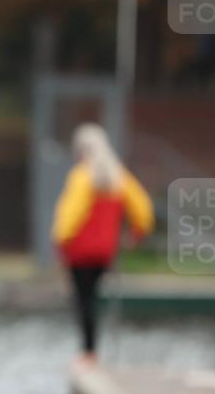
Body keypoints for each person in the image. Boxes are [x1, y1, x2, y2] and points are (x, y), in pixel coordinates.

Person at [52, 123, 153, 367]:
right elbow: (143, 209)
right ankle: (91, 351)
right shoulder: (119, 177)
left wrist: (60, 243)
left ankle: (88, 351)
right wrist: (136, 234)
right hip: (105, 252)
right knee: (92, 297)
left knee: (83, 299)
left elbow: (69, 217)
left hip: (80, 251)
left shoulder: (82, 176)